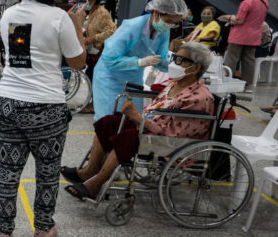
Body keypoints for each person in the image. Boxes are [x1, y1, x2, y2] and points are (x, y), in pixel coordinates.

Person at [0, 0, 86, 237]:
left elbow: (20, 59)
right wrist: (78, 24)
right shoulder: (59, 18)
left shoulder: (10, 14)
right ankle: (43, 229)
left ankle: (3, 233)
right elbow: (78, 61)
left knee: (7, 171)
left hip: (8, 101)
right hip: (46, 106)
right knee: (46, 171)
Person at [62, 43, 215, 199]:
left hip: (171, 143)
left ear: (195, 68)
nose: (174, 63)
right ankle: (89, 171)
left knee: (127, 137)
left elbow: (173, 134)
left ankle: (95, 185)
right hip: (149, 128)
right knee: (108, 122)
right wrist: (138, 119)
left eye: (180, 59)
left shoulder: (199, 98)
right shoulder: (175, 84)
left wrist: (137, 118)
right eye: (174, 58)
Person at [92, 0, 186, 121]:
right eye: (168, 20)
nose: (170, 25)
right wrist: (140, 62)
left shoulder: (163, 30)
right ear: (156, 12)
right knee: (107, 123)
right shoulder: (132, 27)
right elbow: (109, 60)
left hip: (133, 80)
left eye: (174, 23)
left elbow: (161, 59)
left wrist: (178, 67)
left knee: (132, 121)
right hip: (109, 79)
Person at [71, 0, 116, 103]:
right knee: (90, 75)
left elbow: (112, 30)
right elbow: (91, 28)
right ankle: (92, 102)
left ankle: (94, 104)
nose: (84, 3)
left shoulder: (103, 13)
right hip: (91, 48)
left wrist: (93, 38)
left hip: (99, 50)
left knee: (93, 76)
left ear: (93, 0)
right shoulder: (92, 12)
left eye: (86, 0)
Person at [221, 0, 269, 85]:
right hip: (254, 36)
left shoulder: (247, 2)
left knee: (231, 59)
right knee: (249, 61)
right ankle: (247, 85)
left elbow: (239, 20)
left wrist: (228, 17)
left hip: (239, 36)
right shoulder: (265, 3)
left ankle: (224, 81)